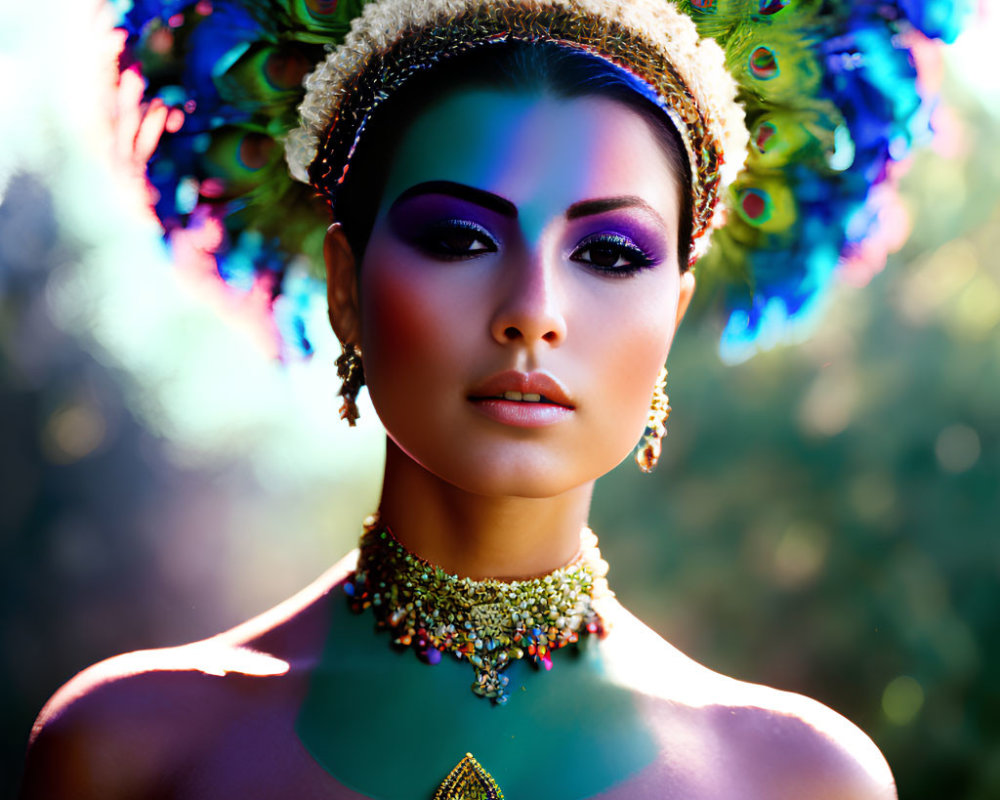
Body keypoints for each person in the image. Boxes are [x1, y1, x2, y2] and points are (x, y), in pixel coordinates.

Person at [20, 0, 964, 796]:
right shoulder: (132, 748)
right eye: (460, 237)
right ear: (348, 287)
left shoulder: (797, 780)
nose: (533, 314)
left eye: (608, 254)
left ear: (672, 309)